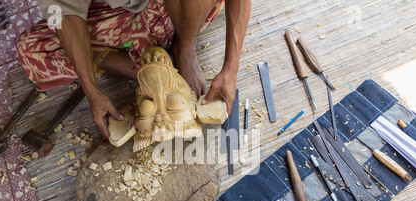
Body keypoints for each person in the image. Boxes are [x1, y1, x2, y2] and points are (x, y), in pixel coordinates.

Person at [17, 0, 251, 138]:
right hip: (116, 14)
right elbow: (65, 14)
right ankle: (150, 67)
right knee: (30, 50)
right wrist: (92, 91)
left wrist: (231, 69)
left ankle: (184, 50)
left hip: (172, 10)